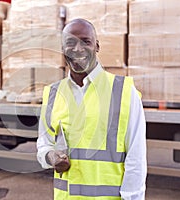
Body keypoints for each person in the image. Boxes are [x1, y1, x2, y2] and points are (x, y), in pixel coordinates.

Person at [37, 18, 147, 199]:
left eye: (85, 41)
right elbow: (44, 143)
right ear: (62, 49)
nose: (77, 49)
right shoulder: (53, 94)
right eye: (70, 43)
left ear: (97, 46)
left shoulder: (124, 92)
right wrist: (51, 157)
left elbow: (136, 159)